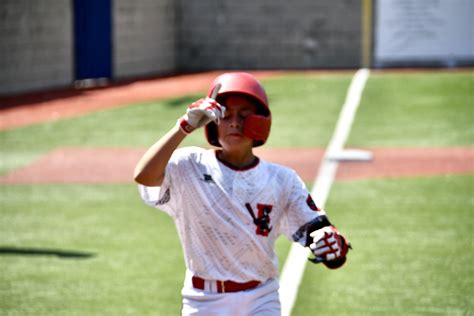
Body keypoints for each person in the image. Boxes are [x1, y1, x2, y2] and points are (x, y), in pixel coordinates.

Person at [134, 72, 350, 315]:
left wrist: (332, 244)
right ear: (212, 122)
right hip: (203, 300)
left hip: (261, 297)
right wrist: (183, 126)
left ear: (261, 121)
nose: (234, 122)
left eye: (244, 115)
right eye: (225, 114)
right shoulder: (189, 164)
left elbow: (318, 231)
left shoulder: (282, 179)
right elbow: (144, 175)